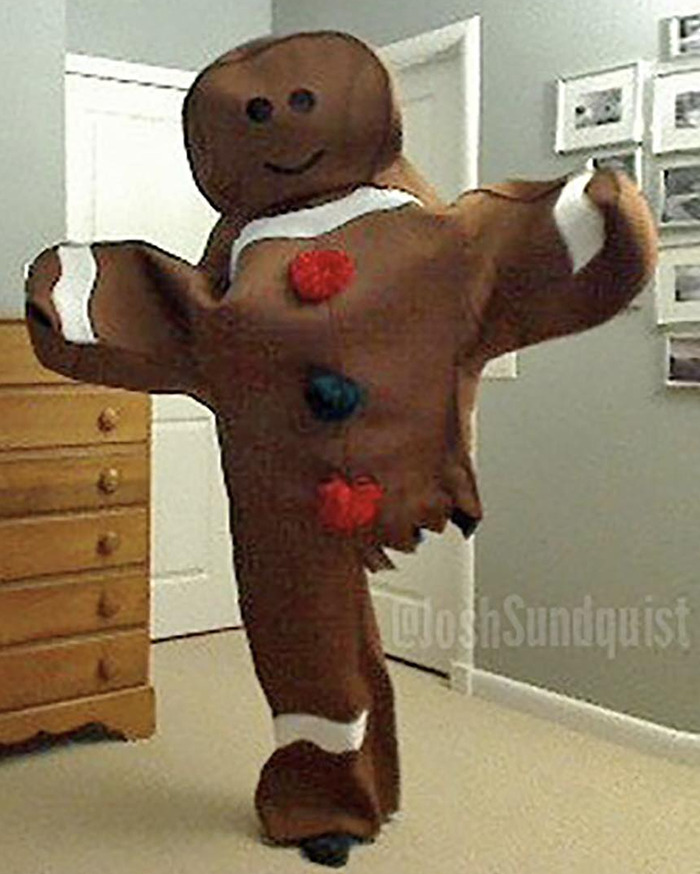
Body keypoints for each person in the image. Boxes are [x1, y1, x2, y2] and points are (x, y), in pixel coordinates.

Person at [24, 30, 657, 868]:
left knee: (315, 613)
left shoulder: (424, 227)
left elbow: (497, 253)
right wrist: (85, 300)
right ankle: (325, 790)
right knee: (303, 636)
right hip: (281, 483)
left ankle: (334, 778)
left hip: (400, 459)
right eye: (255, 114)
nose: (280, 123)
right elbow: (183, 320)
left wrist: (585, 221)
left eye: (299, 103)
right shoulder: (242, 244)